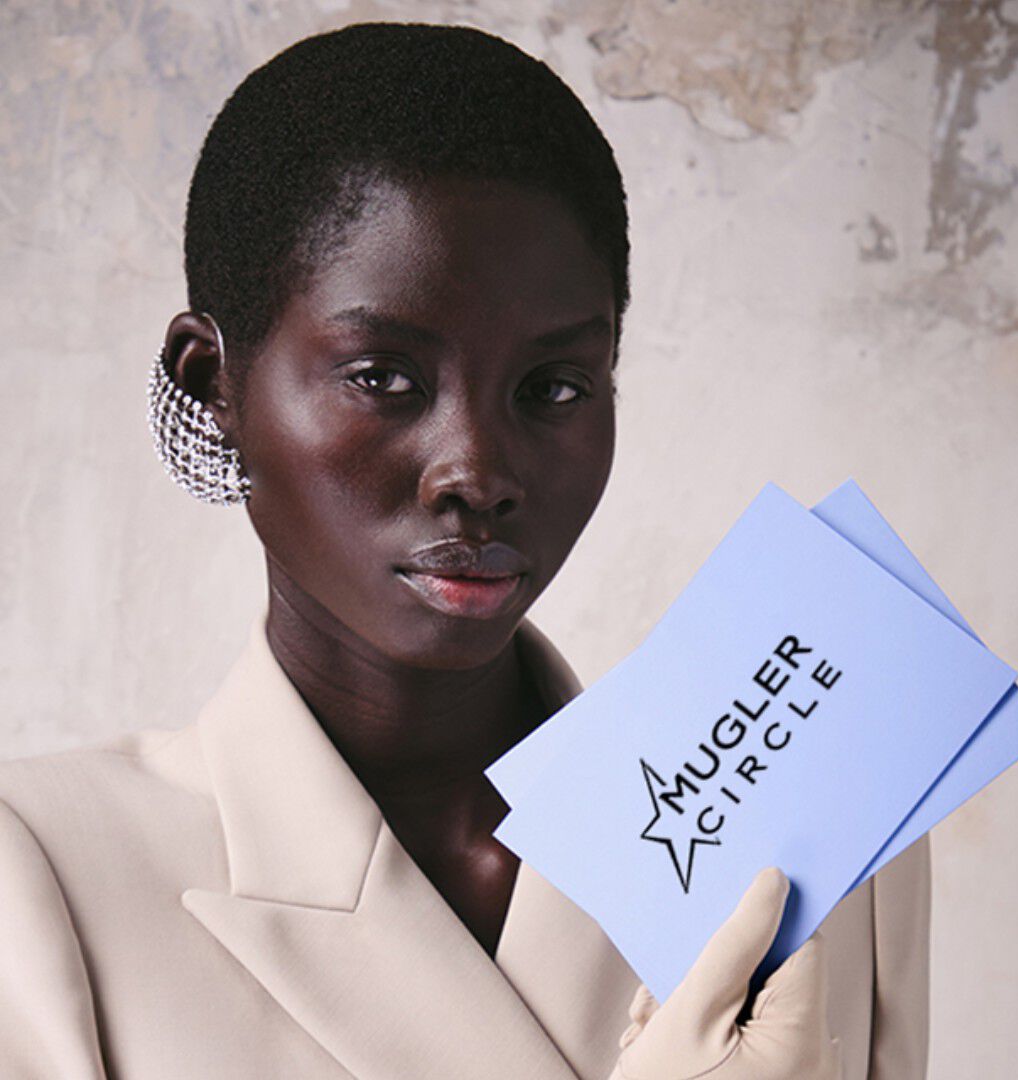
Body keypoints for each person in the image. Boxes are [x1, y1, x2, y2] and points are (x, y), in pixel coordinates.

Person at [0, 21, 930, 1079]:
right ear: (213, 383)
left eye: (555, 389)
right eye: (384, 376)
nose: (477, 472)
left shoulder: (823, 809)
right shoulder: (38, 874)